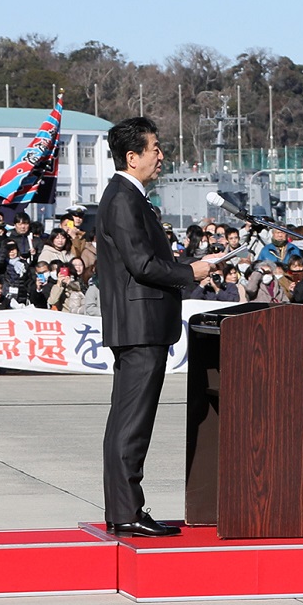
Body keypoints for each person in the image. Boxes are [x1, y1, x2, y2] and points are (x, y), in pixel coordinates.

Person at [95, 116, 214, 538]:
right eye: (154, 148)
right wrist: (190, 271)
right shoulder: (124, 198)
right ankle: (127, 510)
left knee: (128, 420)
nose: (161, 155)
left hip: (141, 323)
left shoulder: (128, 196)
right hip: (139, 324)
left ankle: (124, 508)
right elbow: (141, 264)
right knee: (132, 422)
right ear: (132, 156)